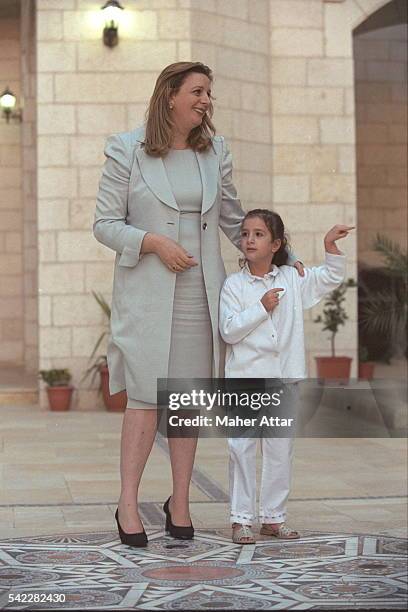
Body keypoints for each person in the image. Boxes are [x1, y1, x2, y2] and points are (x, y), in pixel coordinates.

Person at [94, 62, 303, 547]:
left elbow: (234, 219)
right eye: (198, 90)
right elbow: (104, 223)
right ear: (170, 95)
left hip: (201, 296)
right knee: (146, 400)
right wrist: (152, 242)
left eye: (209, 92)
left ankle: (180, 500)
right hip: (148, 294)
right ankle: (128, 502)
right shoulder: (126, 149)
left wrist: (287, 257)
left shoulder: (216, 151)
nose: (207, 99)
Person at [219, 209, 353, 544]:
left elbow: (328, 279)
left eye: (259, 234)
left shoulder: (292, 279)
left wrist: (330, 247)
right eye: (246, 233)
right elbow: (229, 331)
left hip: (284, 381)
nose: (250, 239)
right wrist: (261, 308)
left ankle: (274, 518)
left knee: (280, 450)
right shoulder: (234, 285)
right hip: (245, 381)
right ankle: (240, 520)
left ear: (276, 243)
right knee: (242, 449)